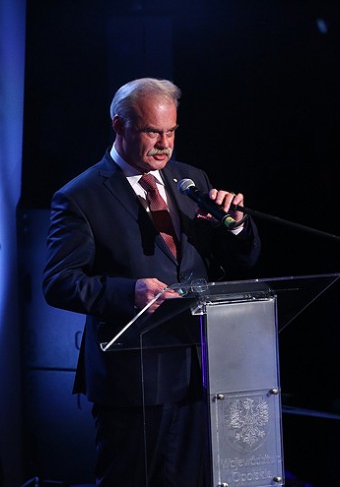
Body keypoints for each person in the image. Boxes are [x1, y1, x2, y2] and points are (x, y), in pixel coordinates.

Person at [42, 77, 261, 487]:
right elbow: (59, 282)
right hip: (133, 382)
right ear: (119, 125)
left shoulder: (191, 180)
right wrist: (130, 292)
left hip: (199, 370)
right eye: (152, 132)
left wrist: (235, 227)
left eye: (171, 132)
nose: (164, 144)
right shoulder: (80, 196)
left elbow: (237, 260)